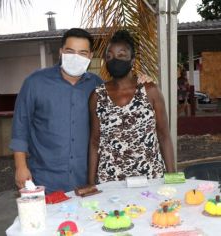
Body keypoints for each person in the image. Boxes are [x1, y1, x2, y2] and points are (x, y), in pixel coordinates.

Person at [11, 28, 152, 193]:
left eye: (82, 53)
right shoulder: (35, 83)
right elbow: (20, 127)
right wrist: (20, 167)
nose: (76, 57)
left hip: (86, 180)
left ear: (90, 57)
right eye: (70, 51)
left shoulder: (98, 86)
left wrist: (142, 80)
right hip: (45, 180)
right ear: (61, 52)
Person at [88, 30, 174, 185]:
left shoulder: (150, 90)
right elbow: (95, 142)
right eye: (109, 56)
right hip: (110, 181)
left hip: (150, 177)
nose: (114, 59)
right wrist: (90, 182)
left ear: (132, 60)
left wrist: (173, 175)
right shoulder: (97, 95)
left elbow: (164, 136)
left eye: (121, 55)